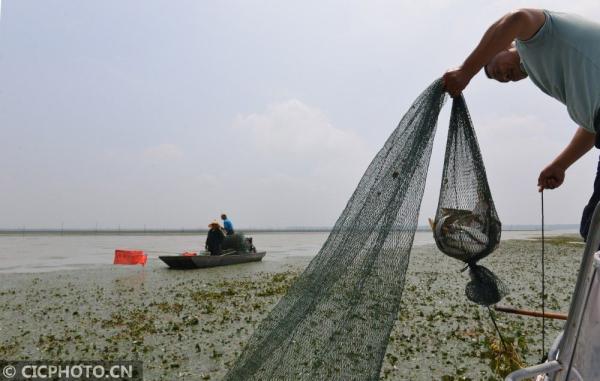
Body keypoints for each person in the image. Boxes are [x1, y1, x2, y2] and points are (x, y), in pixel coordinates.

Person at [442, 8, 600, 241]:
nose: (504, 77)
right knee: (593, 227)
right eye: (502, 80)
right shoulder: (547, 71)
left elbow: (517, 18)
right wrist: (560, 164)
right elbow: (592, 126)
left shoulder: (535, 37)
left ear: (504, 46)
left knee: (596, 230)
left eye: (496, 69)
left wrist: (466, 71)